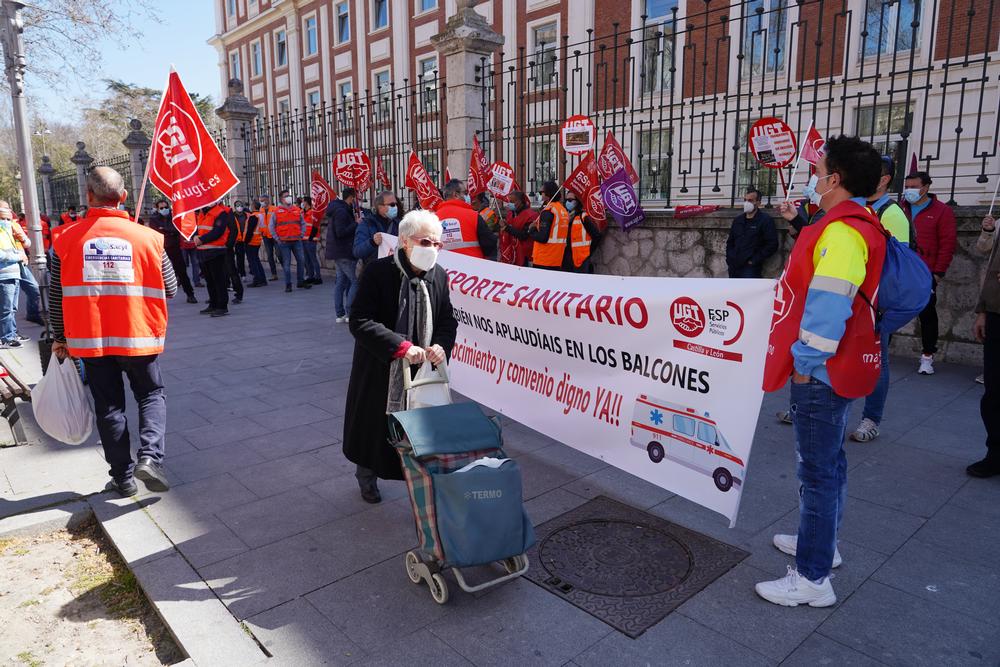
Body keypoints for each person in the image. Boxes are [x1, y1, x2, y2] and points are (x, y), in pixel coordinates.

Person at [756, 135, 887, 608]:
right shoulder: (848, 225)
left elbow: (828, 306)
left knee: (817, 471)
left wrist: (806, 366)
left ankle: (812, 578)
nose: (812, 177)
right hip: (836, 366)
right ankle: (821, 544)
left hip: (823, 371)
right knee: (828, 464)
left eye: (818, 171)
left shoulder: (843, 232)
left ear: (835, 180)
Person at [49, 167, 177, 497]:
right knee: (150, 394)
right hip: (138, 335)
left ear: (88, 196)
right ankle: (150, 458)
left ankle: (122, 477)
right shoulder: (149, 238)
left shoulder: (64, 240)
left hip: (91, 338)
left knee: (109, 407)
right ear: (123, 197)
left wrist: (59, 337)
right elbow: (172, 288)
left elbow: (55, 295)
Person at [343, 209, 458, 503]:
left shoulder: (439, 276)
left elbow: (448, 319)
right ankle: (366, 477)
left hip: (422, 370)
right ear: (405, 242)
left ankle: (420, 485)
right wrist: (401, 347)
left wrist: (441, 345)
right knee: (373, 427)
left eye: (437, 244)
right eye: (425, 242)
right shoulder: (378, 272)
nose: (432, 249)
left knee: (421, 431)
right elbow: (360, 321)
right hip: (381, 367)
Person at [849, 157, 913, 443]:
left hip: (876, 303)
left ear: (885, 178)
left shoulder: (892, 213)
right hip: (850, 296)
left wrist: (881, 303)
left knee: (877, 361)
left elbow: (896, 263)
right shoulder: (858, 207)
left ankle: (871, 419)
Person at [902, 171, 956, 375]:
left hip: (926, 271)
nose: (909, 191)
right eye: (907, 186)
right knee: (887, 310)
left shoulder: (942, 212)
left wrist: (938, 273)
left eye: (914, 187)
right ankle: (881, 351)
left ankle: (927, 357)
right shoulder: (900, 209)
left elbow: (947, 244)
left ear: (925, 188)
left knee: (927, 315)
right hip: (902, 269)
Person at [968, 214, 999, 477]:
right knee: (994, 391)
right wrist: (983, 312)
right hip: (996, 313)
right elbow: (991, 268)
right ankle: (995, 454)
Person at [148, 199, 197, 304]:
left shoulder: (174, 217)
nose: (164, 209)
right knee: (158, 274)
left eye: (166, 207)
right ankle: (159, 297)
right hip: (161, 248)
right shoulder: (154, 219)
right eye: (161, 208)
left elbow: (176, 229)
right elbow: (155, 231)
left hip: (175, 247)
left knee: (182, 271)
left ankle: (190, 294)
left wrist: (165, 229)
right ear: (157, 209)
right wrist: (169, 231)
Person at [435, 180, 497, 259]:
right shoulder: (473, 216)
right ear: (456, 195)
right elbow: (489, 244)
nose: (468, 196)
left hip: (444, 268)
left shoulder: (433, 219)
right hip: (472, 267)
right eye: (465, 193)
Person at [193, 202, 235, 316]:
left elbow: (218, 231)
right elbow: (198, 228)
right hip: (203, 251)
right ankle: (213, 304)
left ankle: (222, 306)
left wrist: (202, 239)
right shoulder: (202, 212)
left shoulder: (220, 212)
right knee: (209, 280)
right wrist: (195, 236)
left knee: (219, 280)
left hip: (216, 251)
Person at [726, 188, 778, 278]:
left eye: (750, 200)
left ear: (758, 203)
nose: (746, 203)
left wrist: (754, 260)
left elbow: (772, 244)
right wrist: (730, 257)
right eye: (745, 200)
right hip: (734, 266)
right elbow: (730, 242)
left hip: (750, 269)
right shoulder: (738, 220)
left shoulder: (765, 220)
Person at [327, 187, 360, 323]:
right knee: (355, 282)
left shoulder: (340, 209)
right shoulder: (341, 211)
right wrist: (356, 224)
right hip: (344, 252)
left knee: (341, 282)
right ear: (351, 198)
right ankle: (349, 313)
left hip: (339, 251)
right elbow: (341, 232)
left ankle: (340, 314)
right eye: (356, 198)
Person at [269, 189, 310, 293]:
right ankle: (288, 284)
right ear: (281, 199)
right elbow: (271, 226)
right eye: (286, 196)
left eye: (289, 195)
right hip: (284, 242)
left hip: (297, 240)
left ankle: (300, 281)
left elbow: (303, 223)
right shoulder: (277, 211)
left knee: (301, 261)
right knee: (286, 264)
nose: (288, 197)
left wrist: (301, 235)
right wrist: (277, 239)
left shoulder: (296, 209)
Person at [0, 202, 26, 348]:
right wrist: (17, 256)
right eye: (4, 219)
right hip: (4, 276)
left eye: (9, 219)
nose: (7, 222)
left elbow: (24, 245)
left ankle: (11, 333)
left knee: (11, 308)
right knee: (6, 309)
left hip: (13, 274)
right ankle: (6, 338)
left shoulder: (8, 231)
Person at [528, 181, 571, 271]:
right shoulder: (562, 210)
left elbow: (542, 237)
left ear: (548, 194)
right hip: (557, 258)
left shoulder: (548, 210)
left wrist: (532, 229)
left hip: (544, 259)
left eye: (541, 192)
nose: (540, 195)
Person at [354, 191, 400, 268]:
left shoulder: (398, 224)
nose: (395, 207)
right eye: (392, 204)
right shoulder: (367, 224)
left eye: (396, 204)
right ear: (380, 207)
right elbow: (357, 251)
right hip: (374, 271)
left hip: (394, 271)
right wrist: (372, 242)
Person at [563, 191, 603, 273]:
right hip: (566, 259)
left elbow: (596, 236)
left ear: (577, 201)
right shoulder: (564, 217)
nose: (568, 202)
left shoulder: (583, 217)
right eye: (566, 200)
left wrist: (588, 252)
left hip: (581, 260)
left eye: (570, 200)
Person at [499, 191, 538, 266]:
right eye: (509, 201)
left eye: (512, 202)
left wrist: (507, 228)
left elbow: (524, 235)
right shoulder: (511, 213)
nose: (509, 204)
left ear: (520, 202)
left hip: (525, 254)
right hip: (511, 253)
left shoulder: (531, 215)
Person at [243, 201, 267, 287]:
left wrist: (245, 241)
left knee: (253, 262)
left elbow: (249, 231)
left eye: (251, 205)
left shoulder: (253, 216)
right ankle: (262, 279)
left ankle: (257, 280)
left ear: (253, 207)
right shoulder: (260, 215)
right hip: (257, 241)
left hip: (251, 241)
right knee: (256, 260)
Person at [301, 196, 324, 285]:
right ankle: (311, 276)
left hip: (311, 239)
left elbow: (316, 226)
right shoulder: (302, 212)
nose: (302, 203)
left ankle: (318, 277)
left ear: (307, 202)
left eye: (303, 201)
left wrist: (311, 237)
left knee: (313, 259)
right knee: (307, 260)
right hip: (303, 239)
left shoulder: (312, 213)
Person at [259, 193, 280, 281]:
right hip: (266, 236)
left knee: (279, 254)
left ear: (268, 200)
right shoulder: (261, 210)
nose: (262, 202)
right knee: (270, 256)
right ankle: (274, 274)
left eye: (263, 200)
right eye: (260, 201)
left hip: (275, 235)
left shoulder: (275, 209)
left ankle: (286, 270)